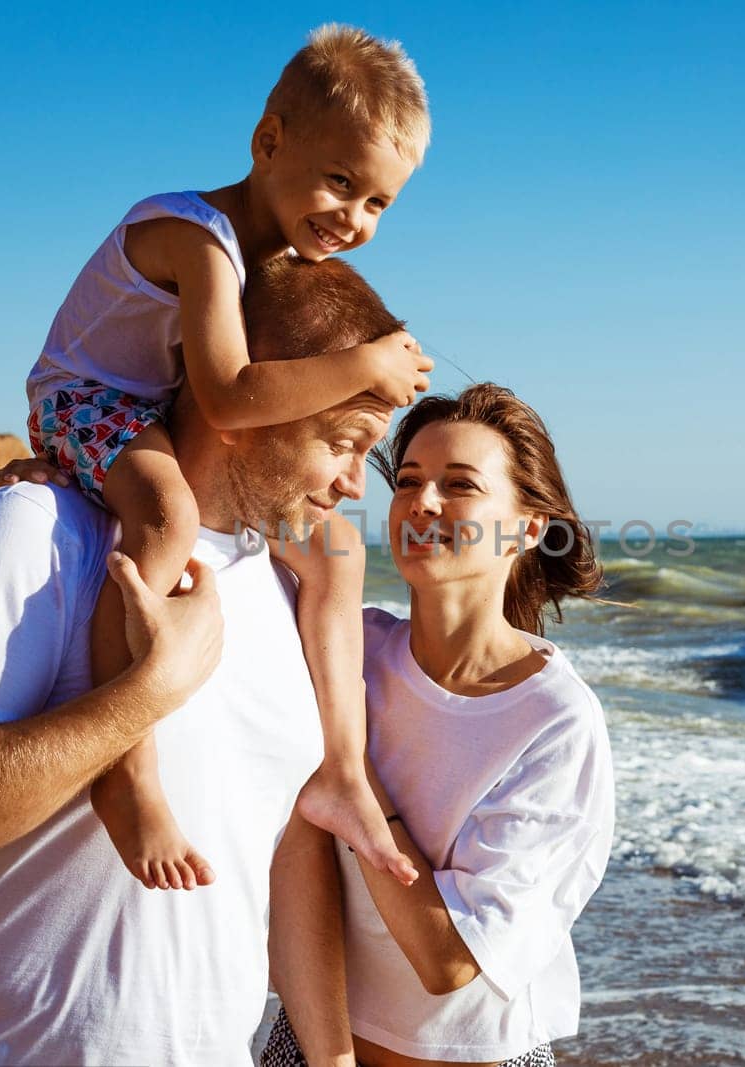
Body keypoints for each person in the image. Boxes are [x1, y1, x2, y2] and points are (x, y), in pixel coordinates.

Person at [0, 256, 407, 1065]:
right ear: (242, 407)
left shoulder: (283, 587)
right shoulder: (32, 531)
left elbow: (284, 846)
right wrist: (147, 692)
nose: (357, 484)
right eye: (343, 442)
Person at [24, 23, 432, 892]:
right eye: (340, 182)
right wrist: (367, 362)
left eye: (378, 204)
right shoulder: (199, 238)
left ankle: (344, 773)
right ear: (268, 141)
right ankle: (125, 770)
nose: (354, 220)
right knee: (166, 515)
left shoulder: (277, 254)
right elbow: (231, 398)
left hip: (153, 411)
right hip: (88, 401)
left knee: (340, 552)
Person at [263, 385, 615, 1067]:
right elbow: (221, 514)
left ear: (527, 526)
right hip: (311, 1047)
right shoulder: (348, 646)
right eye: (409, 481)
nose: (422, 503)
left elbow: (450, 959)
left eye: (459, 485)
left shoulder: (555, 721)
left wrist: (351, 767)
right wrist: (61, 479)